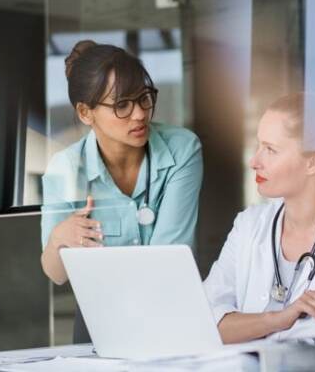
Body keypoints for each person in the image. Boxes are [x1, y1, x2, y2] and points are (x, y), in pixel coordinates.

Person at [40, 40, 203, 343]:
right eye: (122, 105)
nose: (140, 114)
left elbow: (166, 259)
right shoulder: (64, 168)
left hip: (168, 312)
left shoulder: (182, 150)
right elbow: (56, 273)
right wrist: (59, 239)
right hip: (98, 320)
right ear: (85, 113)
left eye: (143, 98)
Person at [203, 93, 315, 344]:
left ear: (313, 162)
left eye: (270, 150)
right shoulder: (249, 224)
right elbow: (203, 320)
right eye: (258, 146)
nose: (254, 161)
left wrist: (242, 328)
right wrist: (278, 318)